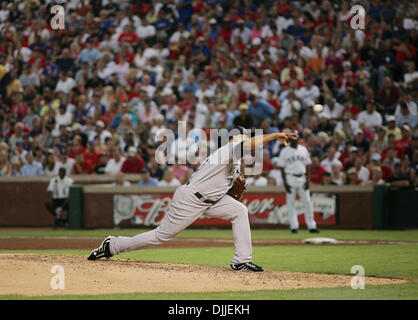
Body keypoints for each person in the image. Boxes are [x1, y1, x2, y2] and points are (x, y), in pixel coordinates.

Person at [87, 127, 296, 272]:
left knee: (239, 211)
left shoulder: (234, 162)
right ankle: (112, 245)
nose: (246, 140)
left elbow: (233, 191)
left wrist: (236, 184)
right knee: (161, 236)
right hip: (190, 200)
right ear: (234, 139)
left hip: (211, 200)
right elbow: (247, 145)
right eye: (243, 137)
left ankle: (241, 261)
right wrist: (274, 136)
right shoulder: (227, 151)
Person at [277, 132, 319, 234]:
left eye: (296, 138)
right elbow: (282, 168)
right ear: (289, 139)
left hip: (302, 177)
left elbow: (308, 165)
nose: (295, 139)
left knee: (307, 202)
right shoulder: (285, 151)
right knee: (291, 203)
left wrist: (308, 180)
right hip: (290, 177)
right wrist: (285, 183)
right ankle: (294, 226)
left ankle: (312, 226)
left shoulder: (303, 149)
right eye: (293, 138)